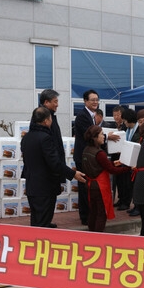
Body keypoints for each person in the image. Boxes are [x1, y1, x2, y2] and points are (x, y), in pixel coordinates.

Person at [22, 107, 85, 227]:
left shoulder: (27, 137)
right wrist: (73, 174)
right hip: (44, 185)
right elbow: (54, 163)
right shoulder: (45, 138)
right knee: (42, 220)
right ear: (46, 121)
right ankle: (41, 241)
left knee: (36, 217)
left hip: (32, 185)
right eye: (51, 118)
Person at [73, 89, 119, 225]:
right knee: (84, 186)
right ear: (85, 101)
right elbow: (89, 134)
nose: (95, 102)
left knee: (90, 186)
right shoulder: (82, 116)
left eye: (97, 99)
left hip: (89, 155)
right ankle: (85, 216)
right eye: (92, 100)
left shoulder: (92, 115)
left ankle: (91, 214)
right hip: (84, 156)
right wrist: (107, 136)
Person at [82, 125, 131, 232]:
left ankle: (91, 234)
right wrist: (127, 168)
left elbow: (101, 165)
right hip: (100, 187)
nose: (103, 137)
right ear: (95, 137)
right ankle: (98, 236)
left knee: (93, 212)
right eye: (101, 134)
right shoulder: (100, 153)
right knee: (101, 213)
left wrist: (114, 163)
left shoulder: (86, 150)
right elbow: (112, 170)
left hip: (90, 185)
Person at [32, 89, 67, 228]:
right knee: (44, 202)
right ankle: (42, 226)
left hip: (54, 165)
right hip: (47, 168)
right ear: (46, 102)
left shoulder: (52, 116)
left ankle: (46, 222)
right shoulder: (39, 117)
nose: (57, 105)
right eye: (55, 101)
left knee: (51, 198)